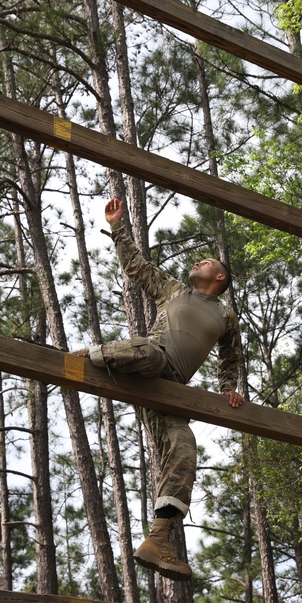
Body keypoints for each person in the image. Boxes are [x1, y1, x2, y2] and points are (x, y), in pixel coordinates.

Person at [85, 198, 243, 581]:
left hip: (168, 388)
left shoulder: (225, 315)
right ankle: (85, 357)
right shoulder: (173, 290)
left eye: (205, 263)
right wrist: (118, 226)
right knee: (151, 354)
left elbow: (231, 357)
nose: (196, 263)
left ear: (219, 278)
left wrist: (229, 388)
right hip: (147, 359)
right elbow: (136, 267)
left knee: (185, 446)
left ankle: (158, 539)